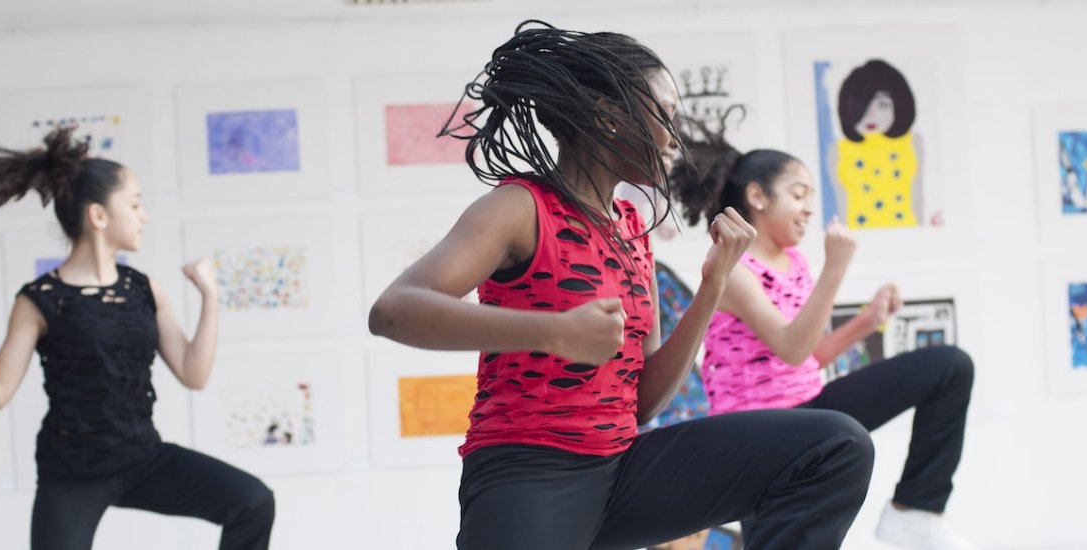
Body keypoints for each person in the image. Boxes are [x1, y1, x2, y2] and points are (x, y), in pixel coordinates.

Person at [368, 20, 875, 550]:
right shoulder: (519, 208)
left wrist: (712, 286)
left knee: (834, 444)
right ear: (610, 118)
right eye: (668, 116)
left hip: (623, 466)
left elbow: (643, 404)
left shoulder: (631, 226)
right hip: (529, 467)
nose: (677, 139)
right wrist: (555, 332)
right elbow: (395, 309)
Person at [0, 127, 275, 550]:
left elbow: (194, 373)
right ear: (99, 216)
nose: (144, 215)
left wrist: (210, 297)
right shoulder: (39, 301)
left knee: (252, 502)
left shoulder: (143, 289)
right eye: (136, 204)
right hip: (70, 473)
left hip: (144, 459)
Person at [670, 121, 979, 550]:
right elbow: (791, 348)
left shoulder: (794, 261)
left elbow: (810, 356)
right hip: (758, 432)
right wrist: (836, 268)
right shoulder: (736, 270)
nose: (810, 207)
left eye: (811, 196)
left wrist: (868, 320)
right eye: (799, 194)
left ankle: (916, 511)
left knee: (948, 367)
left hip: (809, 409)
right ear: (758, 197)